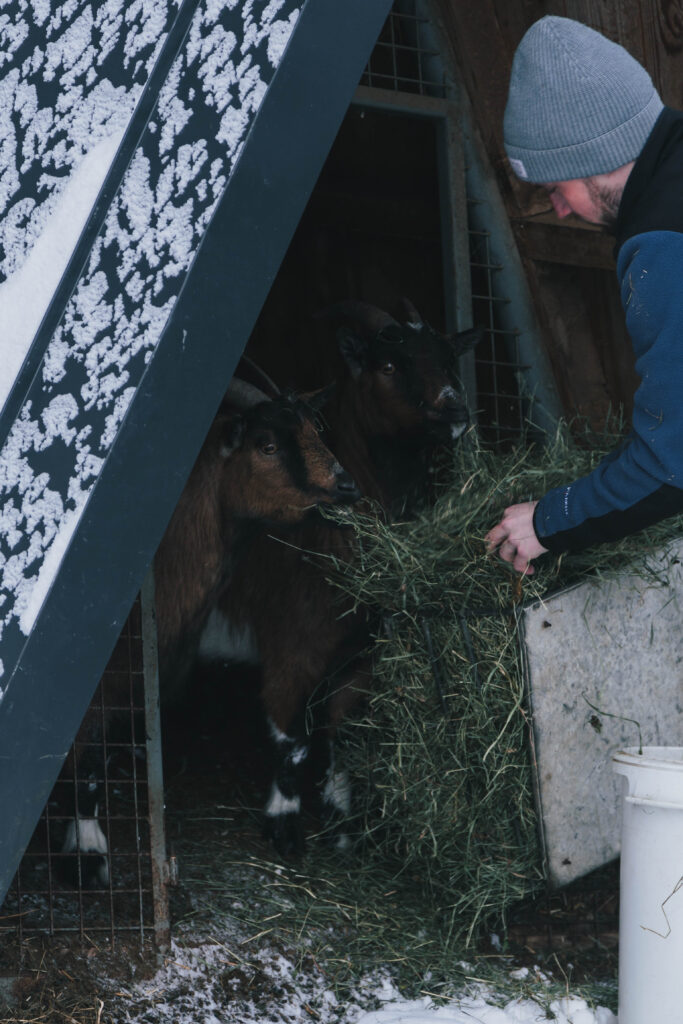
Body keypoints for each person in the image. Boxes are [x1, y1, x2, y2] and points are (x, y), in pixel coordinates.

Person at [485, 15, 683, 575]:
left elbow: (673, 462)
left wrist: (549, 521)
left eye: (556, 186)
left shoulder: (665, 248)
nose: (560, 209)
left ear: (594, 157)